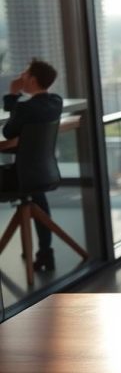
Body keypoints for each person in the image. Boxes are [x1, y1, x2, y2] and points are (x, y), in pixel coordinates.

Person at [0, 59, 63, 272]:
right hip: (43, 172)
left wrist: (12, 93)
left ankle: (43, 252)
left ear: (33, 80)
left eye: (25, 74)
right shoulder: (56, 101)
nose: (20, 76)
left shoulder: (25, 108)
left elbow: (8, 132)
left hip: (22, 176)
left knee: (24, 184)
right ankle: (46, 252)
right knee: (36, 194)